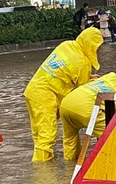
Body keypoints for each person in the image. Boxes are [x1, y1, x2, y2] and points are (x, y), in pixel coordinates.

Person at [23, 28, 104, 162]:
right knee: (46, 138)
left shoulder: (66, 45)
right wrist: (94, 80)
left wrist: (87, 77)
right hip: (46, 96)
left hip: (33, 90)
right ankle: (43, 170)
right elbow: (81, 90)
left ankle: (40, 162)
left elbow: (64, 71)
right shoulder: (83, 63)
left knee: (38, 135)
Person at [59, 66, 116, 161]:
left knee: (70, 142)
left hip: (66, 104)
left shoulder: (111, 76)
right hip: (86, 108)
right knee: (114, 138)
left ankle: (69, 166)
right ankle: (113, 165)